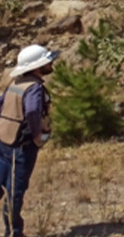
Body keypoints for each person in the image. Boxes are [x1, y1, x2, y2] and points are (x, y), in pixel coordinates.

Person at [0, 44, 57, 237]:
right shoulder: (34, 88)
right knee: (14, 191)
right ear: (38, 66)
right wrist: (36, 136)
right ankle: (13, 233)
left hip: (4, 140)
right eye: (48, 61)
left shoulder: (14, 83)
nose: (51, 63)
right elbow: (32, 111)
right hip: (21, 146)